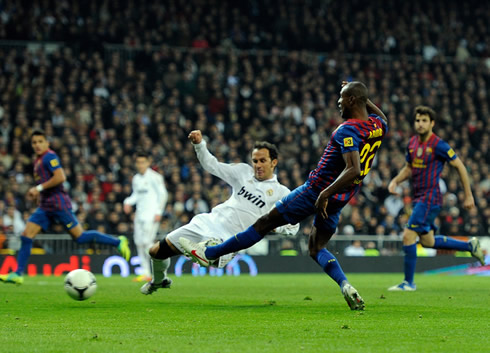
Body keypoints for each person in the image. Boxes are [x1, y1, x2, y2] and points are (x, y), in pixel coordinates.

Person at [180, 81, 387, 310]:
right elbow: (383, 119)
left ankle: (209, 253)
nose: (338, 102)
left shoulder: (346, 130)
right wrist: (364, 98)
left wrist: (324, 193)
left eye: (341, 97)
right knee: (316, 248)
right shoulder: (377, 125)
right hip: (341, 198)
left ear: (351, 101)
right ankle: (345, 285)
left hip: (317, 191)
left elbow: (354, 169)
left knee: (264, 222)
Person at [140, 130, 299, 294]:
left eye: (263, 161)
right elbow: (212, 165)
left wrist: (275, 226)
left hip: (229, 237)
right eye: (255, 161)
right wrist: (199, 145)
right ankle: (160, 281)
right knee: (155, 252)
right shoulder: (243, 172)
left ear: (274, 162)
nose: (258, 165)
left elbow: (294, 227)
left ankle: (204, 251)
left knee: (210, 257)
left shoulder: (282, 193)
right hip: (208, 222)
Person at [0, 129, 130, 285]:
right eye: (34, 142)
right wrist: (38, 195)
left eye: (40, 141)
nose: (37, 145)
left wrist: (38, 188)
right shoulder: (37, 161)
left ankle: (117, 241)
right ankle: (18, 273)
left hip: (58, 204)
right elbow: (45, 184)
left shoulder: (50, 157)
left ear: (47, 143)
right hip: (45, 206)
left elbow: (60, 177)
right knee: (26, 235)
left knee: (80, 238)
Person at [387, 106, 484, 291]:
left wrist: (468, 194)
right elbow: (408, 168)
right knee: (428, 242)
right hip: (419, 198)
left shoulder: (439, 145)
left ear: (432, 123)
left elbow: (460, 166)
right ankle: (470, 246)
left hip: (430, 198)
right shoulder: (412, 143)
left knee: (408, 235)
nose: (420, 124)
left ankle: (408, 283)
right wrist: (395, 181)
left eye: (424, 120)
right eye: (417, 120)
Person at [124, 151, 168, 282]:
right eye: (138, 162)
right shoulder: (137, 178)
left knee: (146, 243)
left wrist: (158, 212)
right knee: (138, 242)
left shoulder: (155, 177)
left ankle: (162, 263)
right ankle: (146, 273)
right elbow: (136, 195)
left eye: (143, 162)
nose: (140, 165)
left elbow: (163, 194)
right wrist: (127, 202)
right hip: (139, 215)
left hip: (151, 214)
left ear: (148, 163)